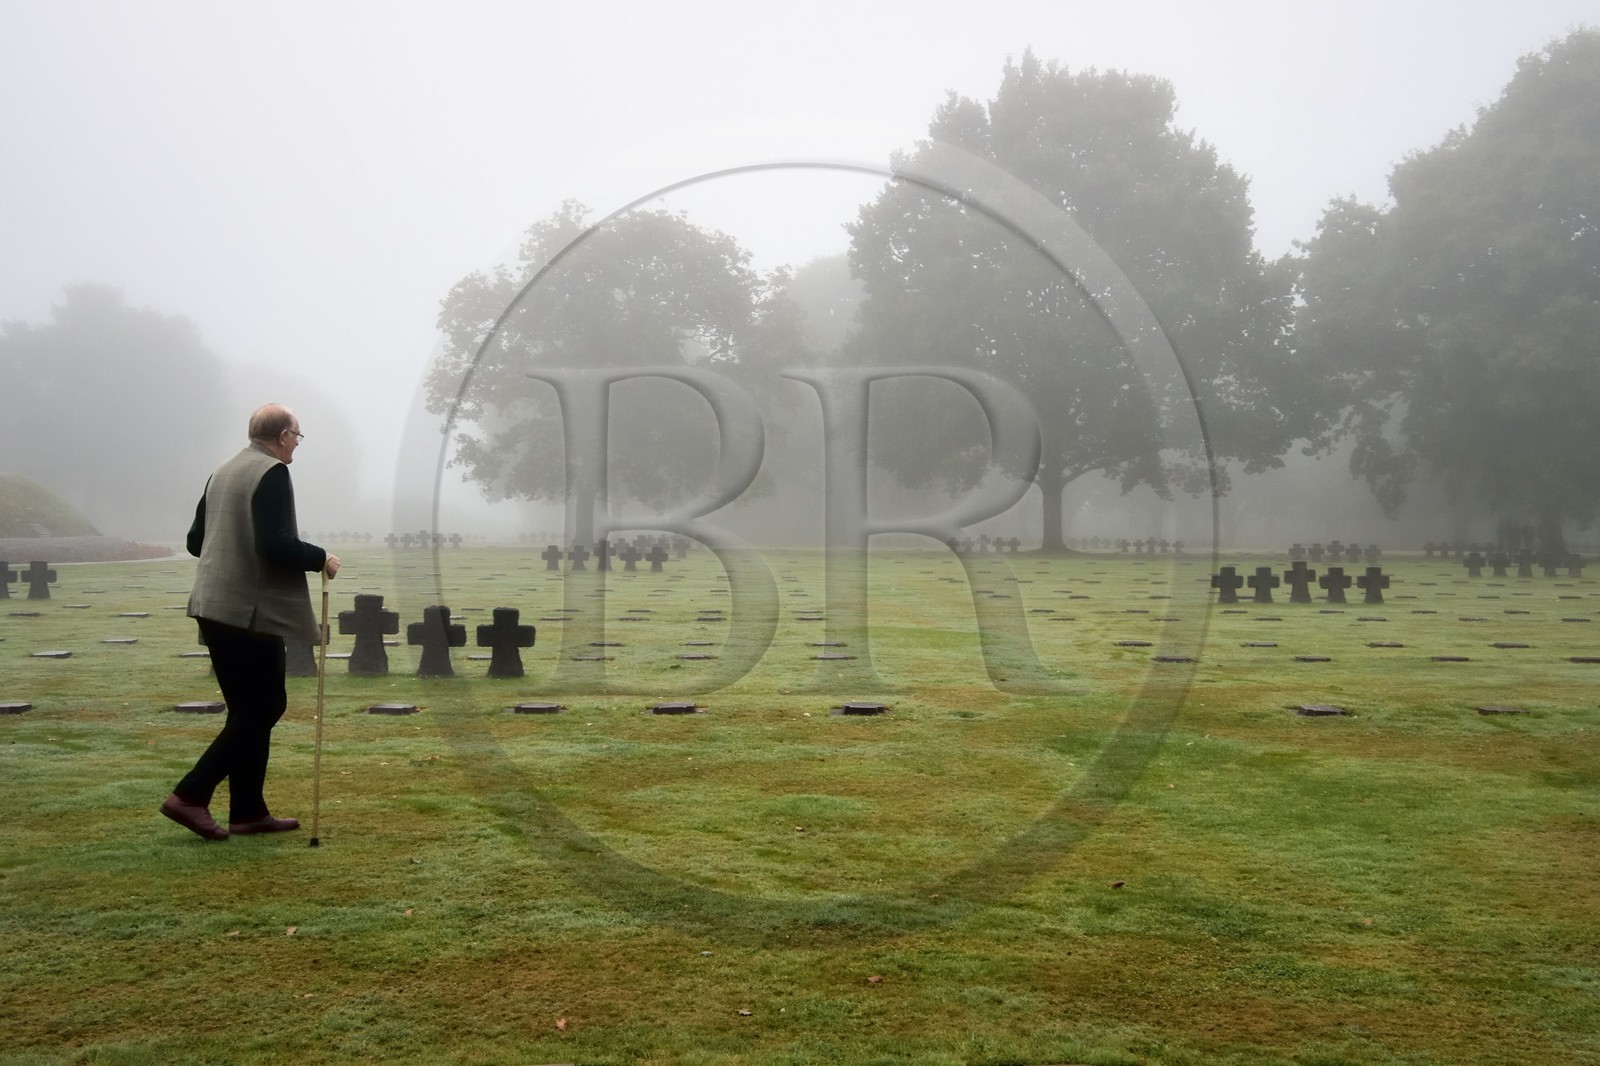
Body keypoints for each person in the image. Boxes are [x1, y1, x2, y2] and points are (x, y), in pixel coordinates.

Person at [160, 404, 340, 841]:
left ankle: (248, 811)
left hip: (212, 603)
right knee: (265, 707)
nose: (298, 443)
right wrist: (321, 557)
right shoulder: (272, 473)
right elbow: (278, 546)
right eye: (297, 435)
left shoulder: (222, 471)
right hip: (247, 612)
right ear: (281, 436)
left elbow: (194, 542)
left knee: (248, 711)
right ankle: (190, 795)